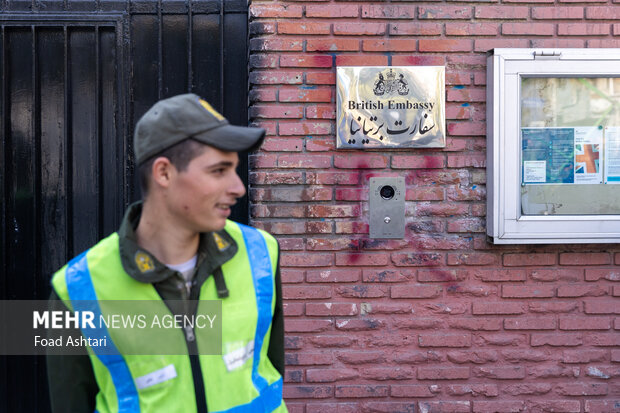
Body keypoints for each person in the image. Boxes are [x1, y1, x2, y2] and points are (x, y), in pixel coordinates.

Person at [46, 93, 287, 413]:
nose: (238, 188)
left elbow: (270, 371)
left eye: (235, 169)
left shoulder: (260, 253)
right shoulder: (78, 289)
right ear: (163, 173)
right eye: (219, 171)